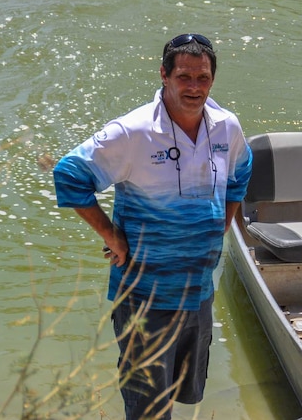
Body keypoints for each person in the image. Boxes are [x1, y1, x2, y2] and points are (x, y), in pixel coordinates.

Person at [53, 33, 252, 419]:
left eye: (203, 78)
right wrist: (112, 235)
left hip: (198, 292)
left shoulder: (227, 126)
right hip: (146, 297)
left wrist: (224, 223)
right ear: (164, 75)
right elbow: (69, 175)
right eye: (184, 77)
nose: (194, 87)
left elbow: (241, 172)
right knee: (147, 409)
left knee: (183, 394)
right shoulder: (133, 132)